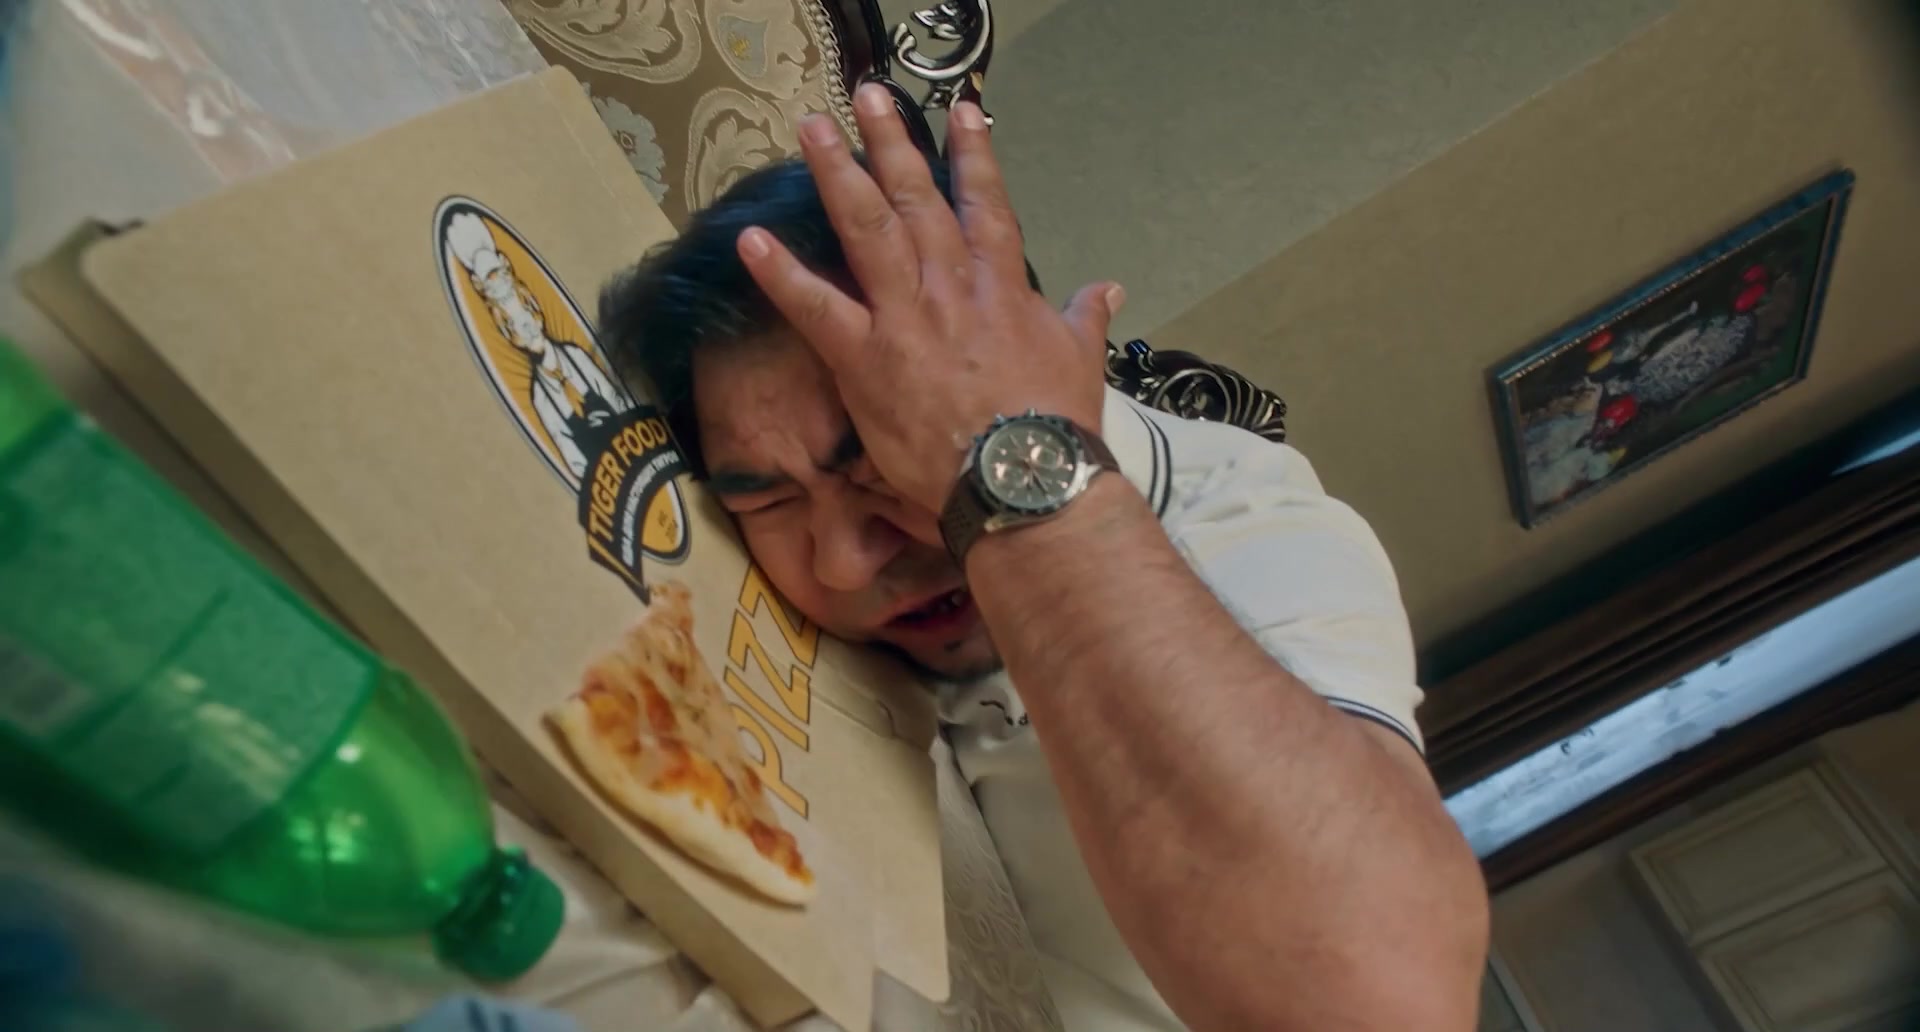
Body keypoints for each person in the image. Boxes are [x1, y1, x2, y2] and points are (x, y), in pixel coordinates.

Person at [599, 84, 1489, 1032]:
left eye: (885, 463)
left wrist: (1005, 469)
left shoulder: (1256, 528)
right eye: (771, 501)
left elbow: (1376, 1001)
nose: (846, 564)